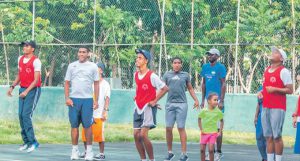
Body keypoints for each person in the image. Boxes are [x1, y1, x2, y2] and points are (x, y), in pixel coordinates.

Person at [64, 47, 100, 161]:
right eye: (80, 52)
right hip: (74, 100)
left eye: (84, 52)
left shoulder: (93, 66)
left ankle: (89, 152)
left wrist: (96, 100)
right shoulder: (72, 66)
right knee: (74, 126)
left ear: (88, 54)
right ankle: (74, 151)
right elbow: (66, 82)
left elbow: (96, 83)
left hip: (87, 100)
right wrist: (67, 98)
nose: (81, 54)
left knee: (87, 127)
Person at [258, 46, 293, 161]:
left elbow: (290, 90)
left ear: (282, 58)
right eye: (273, 51)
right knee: (268, 136)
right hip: (266, 106)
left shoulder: (284, 71)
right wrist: (261, 93)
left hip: (278, 107)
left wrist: (275, 89)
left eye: (276, 52)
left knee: (276, 136)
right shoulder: (266, 70)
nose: (272, 53)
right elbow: (266, 88)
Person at [7, 40, 42, 153]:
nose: (24, 47)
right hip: (22, 89)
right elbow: (19, 74)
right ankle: (26, 142)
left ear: (32, 49)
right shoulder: (20, 59)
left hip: (33, 90)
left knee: (26, 115)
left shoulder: (36, 61)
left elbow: (36, 80)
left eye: (27, 46)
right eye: (24, 46)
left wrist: (26, 92)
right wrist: (12, 86)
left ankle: (33, 142)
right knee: (20, 115)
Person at [133, 49, 168, 161]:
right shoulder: (136, 75)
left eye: (140, 58)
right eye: (137, 57)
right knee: (136, 135)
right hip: (137, 107)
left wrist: (154, 100)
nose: (137, 60)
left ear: (146, 61)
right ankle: (143, 159)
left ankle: (151, 159)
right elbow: (139, 89)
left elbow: (164, 88)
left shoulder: (152, 76)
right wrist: (137, 96)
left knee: (143, 135)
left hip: (147, 108)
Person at [162, 57, 199, 161]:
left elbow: (190, 88)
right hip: (170, 104)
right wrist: (154, 100)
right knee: (168, 128)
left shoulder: (185, 75)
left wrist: (196, 100)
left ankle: (184, 154)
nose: (177, 64)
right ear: (172, 64)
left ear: (181, 64)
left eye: (179, 63)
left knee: (181, 127)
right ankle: (170, 153)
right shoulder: (167, 75)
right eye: (175, 63)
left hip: (182, 104)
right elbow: (162, 89)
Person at [80, 62, 110, 160]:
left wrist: (105, 111)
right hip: (88, 113)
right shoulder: (89, 82)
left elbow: (107, 99)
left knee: (99, 135)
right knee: (85, 134)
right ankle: (87, 152)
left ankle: (101, 153)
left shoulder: (105, 84)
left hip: (99, 114)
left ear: (101, 70)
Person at [200, 48, 226, 160]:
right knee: (208, 126)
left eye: (211, 55)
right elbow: (204, 84)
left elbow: (223, 84)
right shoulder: (205, 67)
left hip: (217, 101)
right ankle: (211, 151)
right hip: (207, 101)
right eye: (208, 55)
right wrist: (202, 100)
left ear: (217, 56)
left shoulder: (221, 67)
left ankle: (218, 152)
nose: (209, 56)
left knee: (218, 127)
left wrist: (222, 100)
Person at [198, 93, 224, 161]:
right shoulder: (204, 111)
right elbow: (199, 118)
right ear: (209, 101)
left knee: (211, 150)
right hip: (204, 133)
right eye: (214, 100)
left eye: (217, 100)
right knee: (202, 150)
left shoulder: (218, 111)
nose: (216, 101)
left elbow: (222, 121)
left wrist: (220, 131)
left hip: (213, 133)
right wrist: (201, 129)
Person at [254, 86, 267, 161]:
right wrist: (256, 116)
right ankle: (264, 157)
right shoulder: (260, 89)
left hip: (271, 116)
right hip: (261, 116)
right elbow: (259, 104)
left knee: (268, 138)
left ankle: (269, 158)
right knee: (259, 137)